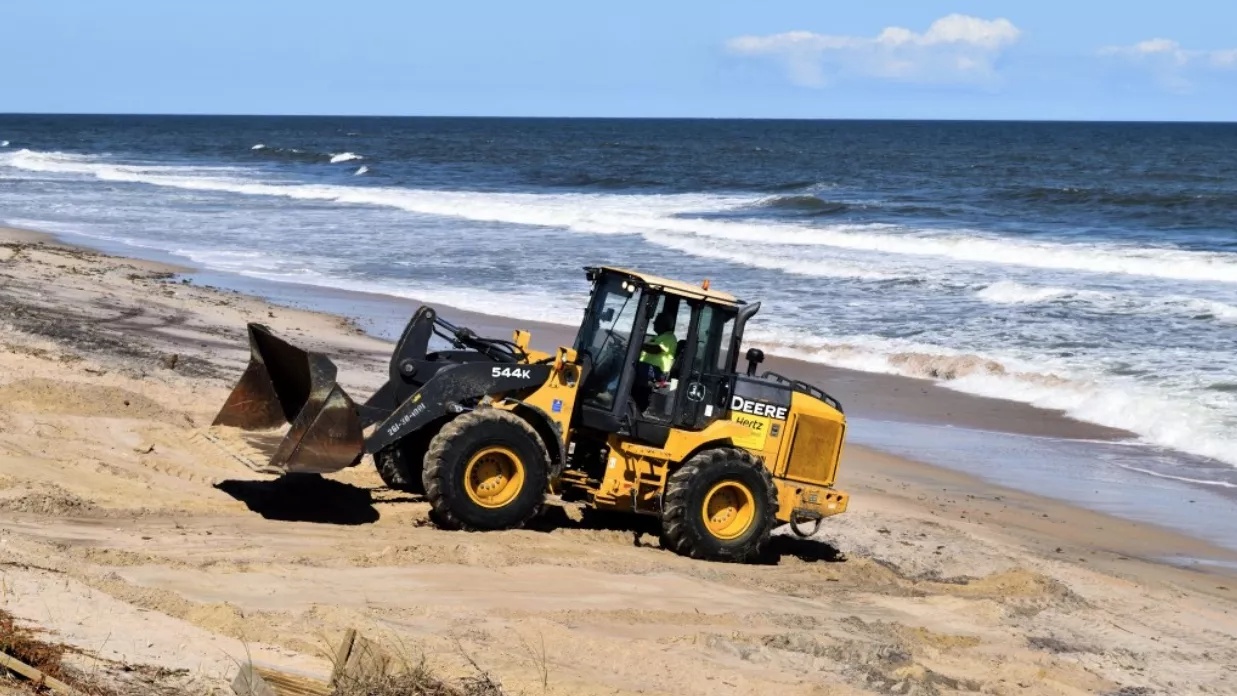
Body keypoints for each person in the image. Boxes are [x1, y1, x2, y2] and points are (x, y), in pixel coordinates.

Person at [634, 311, 678, 411]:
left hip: (657, 371)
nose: (653, 323)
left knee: (629, 367)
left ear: (663, 324)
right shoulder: (658, 337)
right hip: (648, 368)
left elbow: (656, 349)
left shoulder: (669, 337)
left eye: (656, 321)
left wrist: (638, 345)